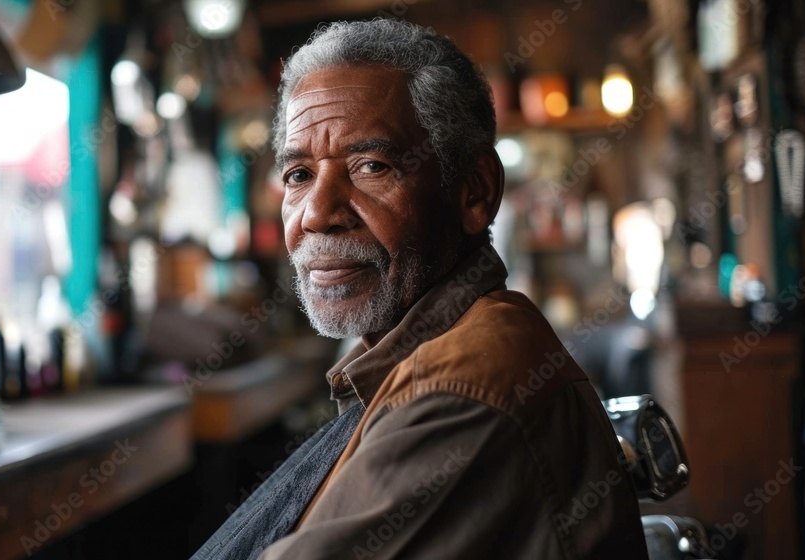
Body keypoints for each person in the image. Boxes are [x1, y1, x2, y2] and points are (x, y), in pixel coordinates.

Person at [193, 18, 649, 560]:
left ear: (474, 192)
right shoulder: (418, 360)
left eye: (370, 166)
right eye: (298, 175)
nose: (317, 214)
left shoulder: (462, 394)